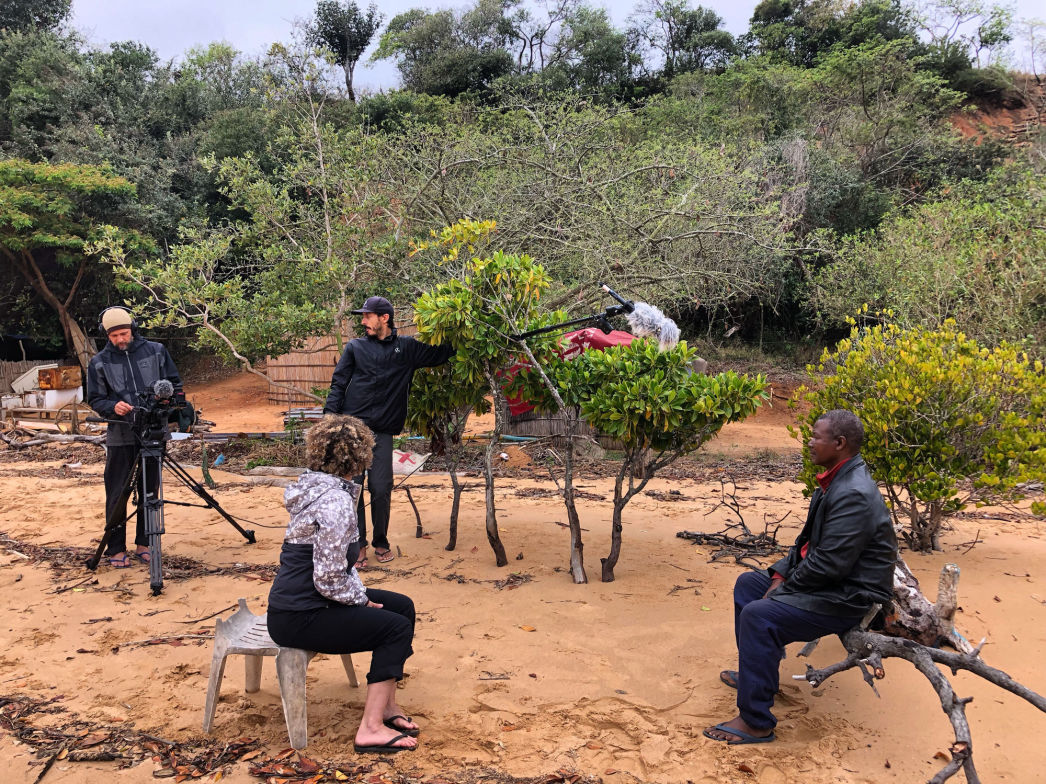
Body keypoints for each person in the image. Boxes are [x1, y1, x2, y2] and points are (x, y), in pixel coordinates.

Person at [704, 409, 897, 745]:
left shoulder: (852, 492)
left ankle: (755, 722)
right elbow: (806, 546)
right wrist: (779, 575)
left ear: (839, 443)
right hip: (829, 584)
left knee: (759, 615)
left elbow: (828, 566)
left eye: (816, 436)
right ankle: (759, 677)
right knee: (748, 586)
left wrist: (781, 590)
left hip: (848, 597)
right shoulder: (835, 480)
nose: (809, 442)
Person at [266, 414, 420, 754]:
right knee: (393, 628)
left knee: (402, 607)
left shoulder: (317, 486)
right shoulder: (335, 502)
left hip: (307, 601)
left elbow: (336, 568)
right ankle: (370, 728)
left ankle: (387, 706)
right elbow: (328, 578)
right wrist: (361, 602)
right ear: (360, 456)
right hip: (300, 614)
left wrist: (360, 595)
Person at [324, 296, 453, 567]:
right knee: (353, 488)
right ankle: (357, 546)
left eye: (367, 316)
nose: (363, 321)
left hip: (383, 431)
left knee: (381, 489)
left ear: (385, 318)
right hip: (353, 429)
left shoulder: (406, 348)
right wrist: (330, 422)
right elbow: (338, 383)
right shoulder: (356, 348)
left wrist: (464, 334)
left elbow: (440, 354)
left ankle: (380, 542)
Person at [87, 307, 182, 569]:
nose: (120, 339)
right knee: (117, 492)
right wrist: (112, 407)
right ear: (106, 335)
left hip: (153, 431)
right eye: (114, 335)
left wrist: (168, 400)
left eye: (124, 333)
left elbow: (176, 385)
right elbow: (95, 399)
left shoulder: (157, 351)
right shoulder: (98, 363)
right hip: (120, 435)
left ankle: (145, 543)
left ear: (134, 328)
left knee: (149, 490)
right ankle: (116, 548)